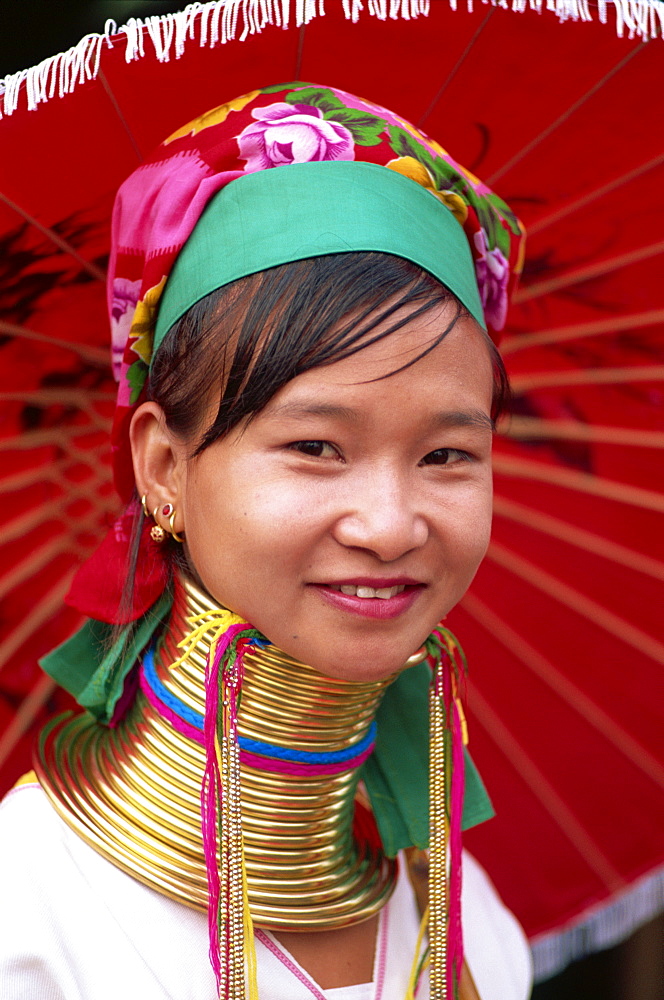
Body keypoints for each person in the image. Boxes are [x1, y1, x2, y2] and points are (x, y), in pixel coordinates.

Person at [0, 82, 532, 1000]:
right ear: (164, 466)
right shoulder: (33, 917)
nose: (390, 524)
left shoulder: (467, 921)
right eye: (315, 446)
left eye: (447, 453)